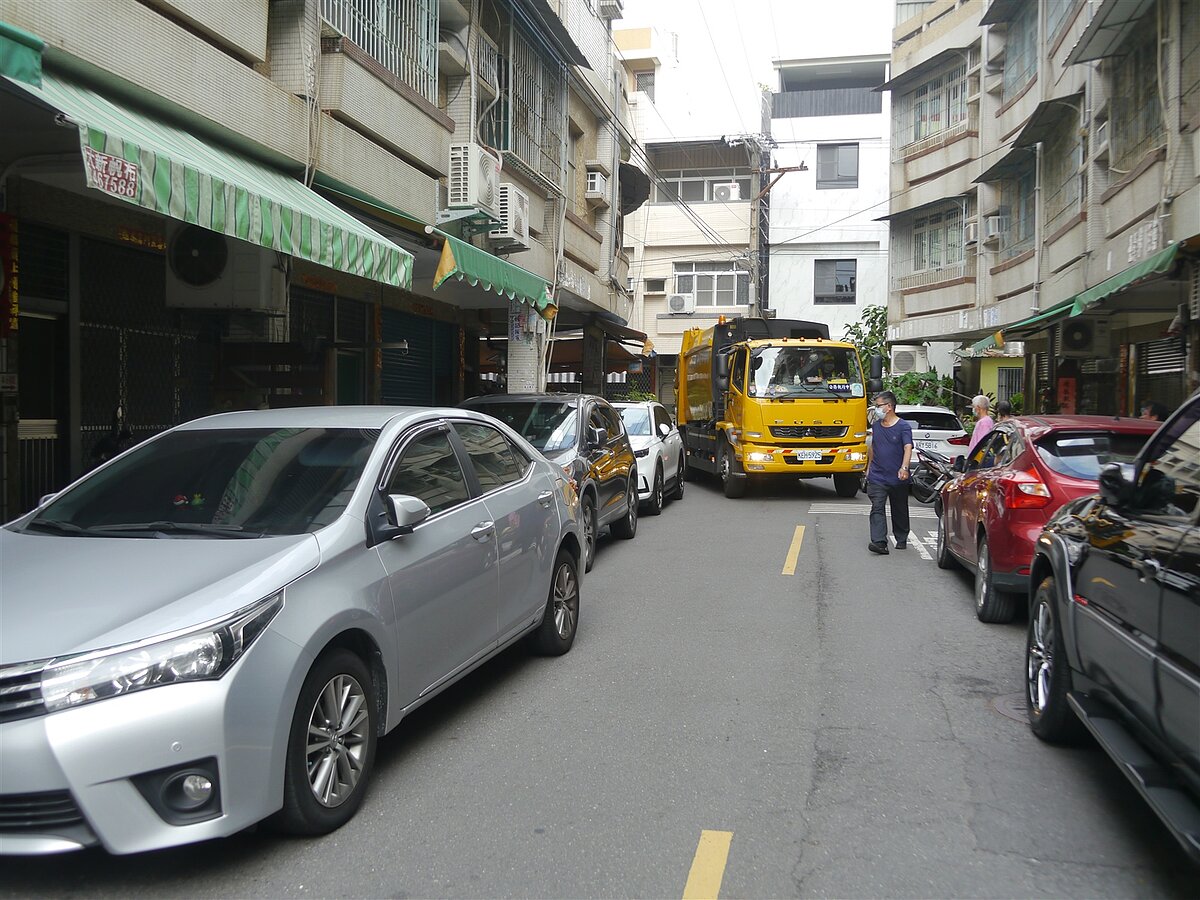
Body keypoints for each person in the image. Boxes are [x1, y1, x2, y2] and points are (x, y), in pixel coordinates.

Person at [865, 390, 913, 555]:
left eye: (878, 406)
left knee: (899, 508)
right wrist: (868, 468)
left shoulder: (903, 427)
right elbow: (873, 448)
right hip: (878, 476)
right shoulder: (876, 426)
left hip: (898, 476)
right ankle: (880, 542)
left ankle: (901, 537)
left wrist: (904, 467)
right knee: (877, 507)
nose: (876, 409)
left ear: (889, 407)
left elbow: (908, 447)